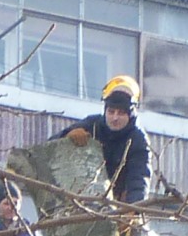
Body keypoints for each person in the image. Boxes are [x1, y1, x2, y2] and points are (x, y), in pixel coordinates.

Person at [64, 76, 150, 205]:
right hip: (83, 199)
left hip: (117, 202)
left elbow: (139, 179)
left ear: (130, 114)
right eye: (111, 111)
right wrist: (67, 137)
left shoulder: (138, 139)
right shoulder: (92, 125)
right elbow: (49, 146)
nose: (115, 118)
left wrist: (134, 210)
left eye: (121, 113)